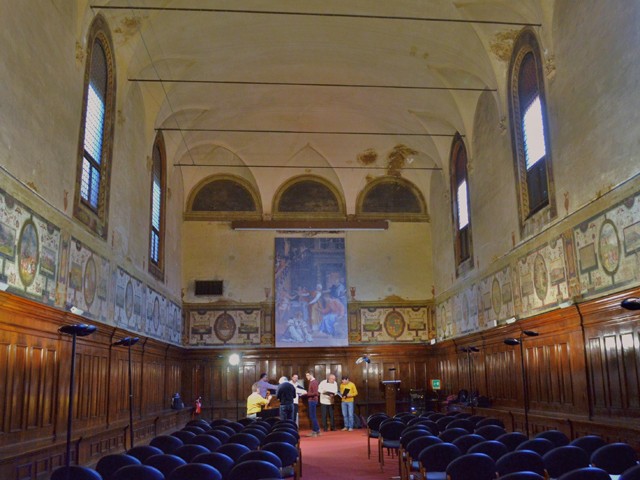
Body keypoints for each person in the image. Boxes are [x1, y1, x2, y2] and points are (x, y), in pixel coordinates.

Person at [304, 371, 321, 437]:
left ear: (311, 375)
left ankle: (315, 431)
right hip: (312, 400)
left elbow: (316, 393)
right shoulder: (312, 382)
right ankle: (317, 430)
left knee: (312, 416)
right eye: (306, 375)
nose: (306, 377)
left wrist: (307, 394)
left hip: (312, 401)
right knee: (313, 416)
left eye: (307, 375)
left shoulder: (314, 382)